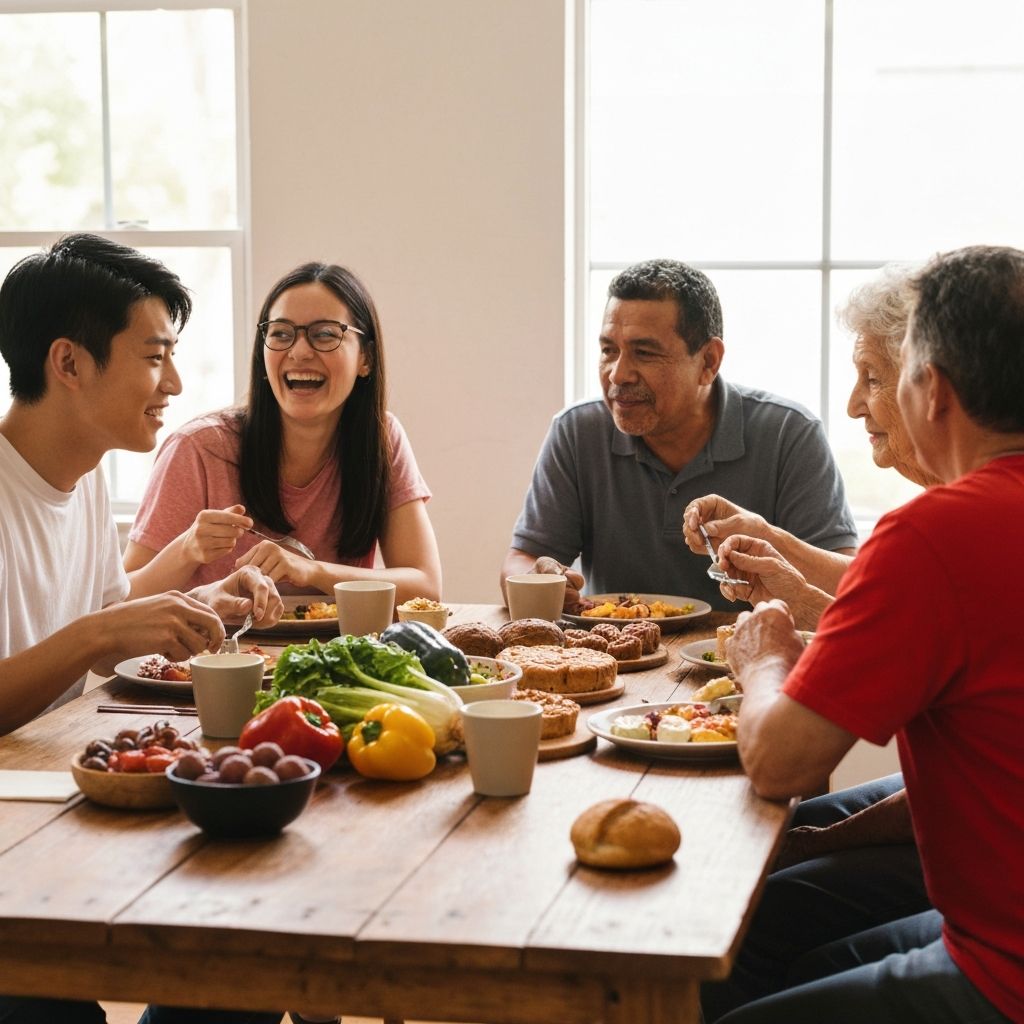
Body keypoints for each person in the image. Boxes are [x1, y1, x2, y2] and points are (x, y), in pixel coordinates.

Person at [703, 244, 1024, 1023]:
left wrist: (764, 660)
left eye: (888, 372)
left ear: (933, 390)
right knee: (786, 944)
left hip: (1000, 965)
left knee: (731, 984)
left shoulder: (931, 534)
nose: (857, 403)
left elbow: (779, 762)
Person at [0, 234, 284, 1022]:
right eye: (155, 356)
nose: (176, 383)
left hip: (56, 797)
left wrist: (206, 593)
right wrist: (106, 633)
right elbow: (90, 632)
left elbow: (97, 607)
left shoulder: (82, 479)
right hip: (17, 841)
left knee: (243, 967)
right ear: (69, 363)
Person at [500, 258, 857, 612]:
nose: (618, 374)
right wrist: (538, 578)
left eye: (644, 353)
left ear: (708, 362)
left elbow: (853, 586)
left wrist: (766, 535)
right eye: (609, 350)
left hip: (752, 657)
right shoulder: (577, 431)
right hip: (617, 661)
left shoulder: (788, 434)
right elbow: (521, 560)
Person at [122, 263, 440, 610]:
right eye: (281, 333)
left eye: (324, 334)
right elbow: (125, 602)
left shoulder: (382, 438)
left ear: (366, 358)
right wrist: (186, 550)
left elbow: (425, 588)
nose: (300, 351)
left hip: (340, 659)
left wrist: (311, 571)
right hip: (221, 659)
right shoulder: (199, 448)